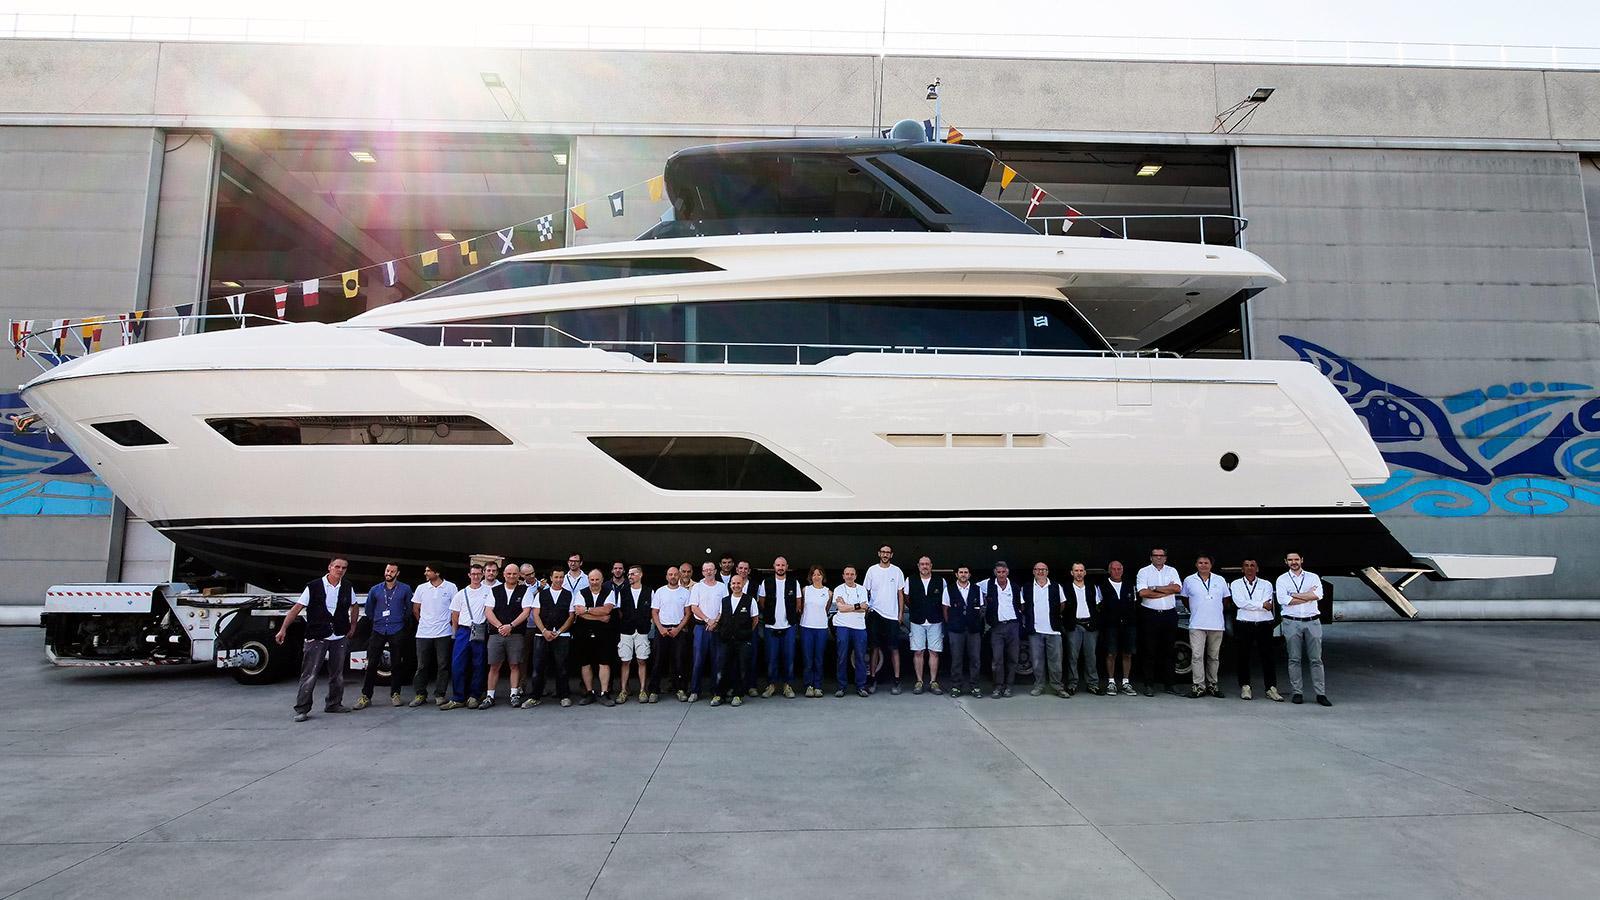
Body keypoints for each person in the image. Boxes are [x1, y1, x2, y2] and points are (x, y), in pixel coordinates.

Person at [276, 557, 358, 722]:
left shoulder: (347, 586)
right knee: (310, 674)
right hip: (317, 635)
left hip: (339, 635)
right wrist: (283, 628)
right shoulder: (313, 586)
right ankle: (302, 709)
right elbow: (297, 608)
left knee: (337, 674)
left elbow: (354, 605)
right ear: (329, 567)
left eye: (343, 568)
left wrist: (353, 626)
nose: (340, 570)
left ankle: (334, 704)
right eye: (337, 566)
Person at [1277, 552, 1331, 706]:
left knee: (1316, 659)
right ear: (1286, 561)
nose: (1293, 562)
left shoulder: (1313, 577)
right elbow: (1283, 600)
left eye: (1296, 559)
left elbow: (1318, 595)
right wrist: (1307, 595)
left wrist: (1294, 595)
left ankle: (1320, 694)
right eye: (1290, 560)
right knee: (1294, 659)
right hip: (1291, 622)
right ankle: (1297, 692)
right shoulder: (1282, 579)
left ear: (1301, 560)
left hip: (1312, 622)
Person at [357, 562, 412, 710]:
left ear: (397, 573)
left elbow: (409, 609)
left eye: (392, 571)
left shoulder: (405, 589)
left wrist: (400, 620)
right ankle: (366, 696)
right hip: (379, 629)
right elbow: (368, 609)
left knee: (396, 664)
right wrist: (377, 620)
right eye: (387, 570)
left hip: (396, 629)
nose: (389, 573)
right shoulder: (375, 589)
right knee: (371, 664)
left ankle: (395, 694)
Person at [1231, 559, 1283, 702]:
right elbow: (1239, 602)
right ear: (1242, 569)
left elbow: (1268, 603)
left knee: (1268, 656)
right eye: (1246, 566)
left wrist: (1251, 604)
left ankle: (1271, 688)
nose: (1249, 568)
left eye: (1252, 565)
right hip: (1244, 623)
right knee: (1243, 656)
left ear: (1257, 569)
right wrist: (1260, 605)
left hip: (1264, 624)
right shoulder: (1236, 584)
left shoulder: (1266, 584)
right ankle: (1245, 686)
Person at [525, 566, 576, 708]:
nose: (559, 580)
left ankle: (564, 695)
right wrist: (544, 631)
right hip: (541, 635)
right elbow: (535, 614)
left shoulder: (569, 595)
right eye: (556, 577)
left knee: (562, 667)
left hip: (562, 635)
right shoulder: (541, 594)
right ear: (551, 578)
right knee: (538, 667)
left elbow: (571, 616)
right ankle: (535, 696)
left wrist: (559, 631)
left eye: (561, 577)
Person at [442, 563, 492, 710]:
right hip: (464, 630)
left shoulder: (489, 591)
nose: (476, 576)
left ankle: (475, 695)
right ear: (469, 575)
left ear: (482, 575)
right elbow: (455, 615)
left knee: (479, 664)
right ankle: (458, 697)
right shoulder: (461, 593)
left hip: (480, 629)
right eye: (473, 574)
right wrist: (455, 633)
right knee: (458, 664)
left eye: (478, 574)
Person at [1136, 548, 1183, 696]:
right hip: (1150, 615)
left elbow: (1177, 588)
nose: (1158, 558)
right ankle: (1149, 684)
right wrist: (1167, 591)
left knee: (1169, 651)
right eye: (1155, 555)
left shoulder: (1172, 570)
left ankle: (1170, 684)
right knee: (1149, 650)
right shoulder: (1144, 572)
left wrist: (1156, 588)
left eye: (1161, 555)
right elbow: (1143, 592)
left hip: (1169, 614)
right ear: (1151, 557)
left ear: (1165, 558)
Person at [1181, 555, 1229, 699]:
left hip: (1216, 624)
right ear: (1196, 565)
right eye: (1200, 563)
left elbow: (1226, 599)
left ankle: (1213, 684)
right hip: (1197, 624)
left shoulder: (1220, 580)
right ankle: (1198, 686)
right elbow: (1185, 599)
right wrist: (1196, 610)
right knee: (1197, 656)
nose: (1203, 565)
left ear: (1211, 565)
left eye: (1206, 563)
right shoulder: (1189, 580)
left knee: (1213, 656)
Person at [483, 562, 529, 709]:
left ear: (519, 575)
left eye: (514, 573)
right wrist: (500, 626)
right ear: (503, 575)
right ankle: (490, 696)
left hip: (516, 633)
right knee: (494, 665)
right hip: (496, 634)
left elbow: (526, 611)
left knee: (514, 665)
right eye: (509, 573)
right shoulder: (495, 590)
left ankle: (514, 694)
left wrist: (511, 626)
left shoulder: (525, 590)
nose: (511, 576)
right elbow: (488, 611)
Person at [410, 564, 457, 707]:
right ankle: (420, 694)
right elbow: (415, 609)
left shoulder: (451, 587)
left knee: (443, 665)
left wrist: (450, 626)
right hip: (424, 633)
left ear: (437, 572)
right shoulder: (421, 588)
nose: (426, 573)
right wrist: (423, 622)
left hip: (444, 632)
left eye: (428, 571)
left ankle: (440, 694)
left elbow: (455, 609)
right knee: (422, 665)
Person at [863, 544, 907, 694]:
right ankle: (872, 680)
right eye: (883, 552)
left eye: (888, 552)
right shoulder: (872, 570)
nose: (885, 554)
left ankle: (897, 681)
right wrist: (866, 610)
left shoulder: (897, 571)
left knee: (894, 648)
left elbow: (900, 594)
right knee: (874, 648)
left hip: (892, 616)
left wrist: (900, 614)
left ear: (891, 555)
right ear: (879, 553)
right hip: (875, 614)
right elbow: (865, 591)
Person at [1019, 562, 1066, 698]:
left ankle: (1057, 686)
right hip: (1035, 630)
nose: (1040, 572)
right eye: (1038, 569)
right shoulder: (1026, 588)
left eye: (1043, 569)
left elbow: (1062, 604)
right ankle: (1039, 686)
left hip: (1053, 630)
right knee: (1037, 661)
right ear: (1033, 571)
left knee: (1056, 662)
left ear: (1047, 571)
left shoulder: (1056, 586)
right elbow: (1022, 606)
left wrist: (1054, 617)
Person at [573, 569, 617, 706]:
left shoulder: (609, 592)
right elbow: (579, 612)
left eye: (597, 579)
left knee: (604, 662)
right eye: (592, 579)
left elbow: (607, 610)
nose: (594, 582)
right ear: (588, 580)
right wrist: (599, 616)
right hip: (583, 632)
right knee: (585, 662)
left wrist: (587, 610)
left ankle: (604, 693)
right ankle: (589, 692)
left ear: (602, 580)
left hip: (604, 633)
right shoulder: (581, 593)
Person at [715, 573, 760, 707]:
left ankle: (737, 695)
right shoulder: (724, 601)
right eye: (733, 583)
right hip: (726, 639)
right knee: (723, 667)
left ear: (743, 584)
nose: (736, 586)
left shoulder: (750, 600)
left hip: (743, 640)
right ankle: (720, 695)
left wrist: (746, 632)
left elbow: (755, 620)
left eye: (738, 583)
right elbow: (721, 616)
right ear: (730, 585)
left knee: (741, 668)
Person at [757, 556, 800, 698]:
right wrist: (770, 614)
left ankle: (788, 686)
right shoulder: (766, 582)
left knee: (789, 658)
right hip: (771, 626)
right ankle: (771, 685)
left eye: (783, 565)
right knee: (771, 658)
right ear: (774, 566)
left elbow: (798, 602)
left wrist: (792, 616)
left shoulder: (794, 582)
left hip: (789, 626)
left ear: (787, 567)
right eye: (778, 565)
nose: (780, 568)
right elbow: (762, 602)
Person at [651, 565, 693, 701]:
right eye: (670, 574)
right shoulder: (660, 592)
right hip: (662, 630)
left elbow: (688, 614)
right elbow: (654, 612)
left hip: (678, 631)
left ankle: (680, 689)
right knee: (658, 661)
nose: (673, 577)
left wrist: (678, 629)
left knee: (679, 661)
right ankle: (654, 691)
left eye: (675, 574)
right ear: (666, 577)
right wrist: (660, 628)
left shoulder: (685, 593)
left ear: (679, 576)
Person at [688, 562, 729, 702]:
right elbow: (694, 607)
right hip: (701, 627)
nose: (708, 572)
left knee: (717, 661)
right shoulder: (697, 587)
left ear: (715, 571)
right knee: (698, 660)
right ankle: (695, 691)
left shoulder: (722, 587)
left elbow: (725, 607)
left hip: (717, 628)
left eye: (711, 570)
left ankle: (716, 690)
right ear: (702, 572)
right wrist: (707, 620)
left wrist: (715, 622)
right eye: (706, 570)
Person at [905, 556, 945, 695]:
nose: (924, 566)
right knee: (918, 651)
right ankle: (919, 681)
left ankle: (933, 681)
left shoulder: (940, 581)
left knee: (934, 652)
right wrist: (917, 609)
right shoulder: (910, 580)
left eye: (927, 564)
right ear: (918, 566)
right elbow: (907, 598)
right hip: (917, 620)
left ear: (931, 565)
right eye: (922, 564)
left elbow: (944, 600)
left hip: (935, 620)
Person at [942, 565, 984, 697]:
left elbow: (981, 609)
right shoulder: (948, 589)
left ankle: (975, 686)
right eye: (961, 572)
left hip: (973, 630)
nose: (963, 574)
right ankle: (956, 686)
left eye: (966, 572)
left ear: (969, 575)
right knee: (956, 659)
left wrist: (976, 622)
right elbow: (945, 609)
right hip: (956, 630)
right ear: (956, 574)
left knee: (975, 659)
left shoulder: (977, 589)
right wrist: (951, 624)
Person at [615, 565, 654, 704]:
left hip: (642, 630)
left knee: (642, 660)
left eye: (632, 574)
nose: (630, 576)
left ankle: (643, 690)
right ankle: (623, 690)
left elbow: (653, 610)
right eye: (629, 574)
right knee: (625, 661)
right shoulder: (623, 591)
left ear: (640, 575)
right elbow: (619, 610)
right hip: (626, 630)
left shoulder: (649, 591)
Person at [1099, 561, 1139, 696]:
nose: (1117, 571)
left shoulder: (1130, 585)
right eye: (1114, 569)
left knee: (1127, 653)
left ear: (1122, 570)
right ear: (1109, 570)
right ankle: (1111, 682)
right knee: (1111, 653)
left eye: (1119, 569)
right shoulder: (1102, 586)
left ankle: (1126, 682)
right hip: (1110, 625)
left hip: (1128, 624)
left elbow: (1134, 604)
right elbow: (1099, 605)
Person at [1064, 563, 1102, 696]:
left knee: (1091, 657)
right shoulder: (1066, 588)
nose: (1079, 573)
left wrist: (1095, 622)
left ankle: (1093, 684)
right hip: (1074, 625)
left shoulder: (1092, 587)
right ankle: (1072, 684)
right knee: (1072, 657)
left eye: (1081, 570)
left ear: (1085, 572)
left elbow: (1098, 606)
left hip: (1090, 625)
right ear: (1072, 573)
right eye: (1076, 570)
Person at [983, 561, 1020, 698]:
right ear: (995, 573)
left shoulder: (1015, 587)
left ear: (1007, 572)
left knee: (1013, 658)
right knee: (997, 659)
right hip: (997, 627)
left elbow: (1021, 605)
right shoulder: (987, 585)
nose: (1001, 575)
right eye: (998, 572)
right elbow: (971, 587)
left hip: (1013, 626)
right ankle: (998, 687)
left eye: (1003, 572)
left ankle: (1009, 686)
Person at [832, 566, 870, 697]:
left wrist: (848, 606)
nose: (849, 576)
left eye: (852, 574)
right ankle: (841, 687)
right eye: (847, 574)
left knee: (860, 657)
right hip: (843, 626)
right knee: (842, 657)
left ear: (855, 576)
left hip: (859, 627)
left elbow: (864, 608)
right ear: (843, 576)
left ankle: (861, 686)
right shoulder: (838, 589)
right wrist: (857, 606)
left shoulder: (862, 589)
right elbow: (841, 608)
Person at [798, 566, 832, 698]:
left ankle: (818, 686)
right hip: (806, 627)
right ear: (810, 577)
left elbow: (827, 609)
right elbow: (801, 607)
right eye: (814, 574)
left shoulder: (829, 592)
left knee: (819, 658)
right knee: (808, 658)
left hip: (821, 628)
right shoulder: (805, 590)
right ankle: (808, 686)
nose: (816, 577)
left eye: (819, 574)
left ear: (823, 576)